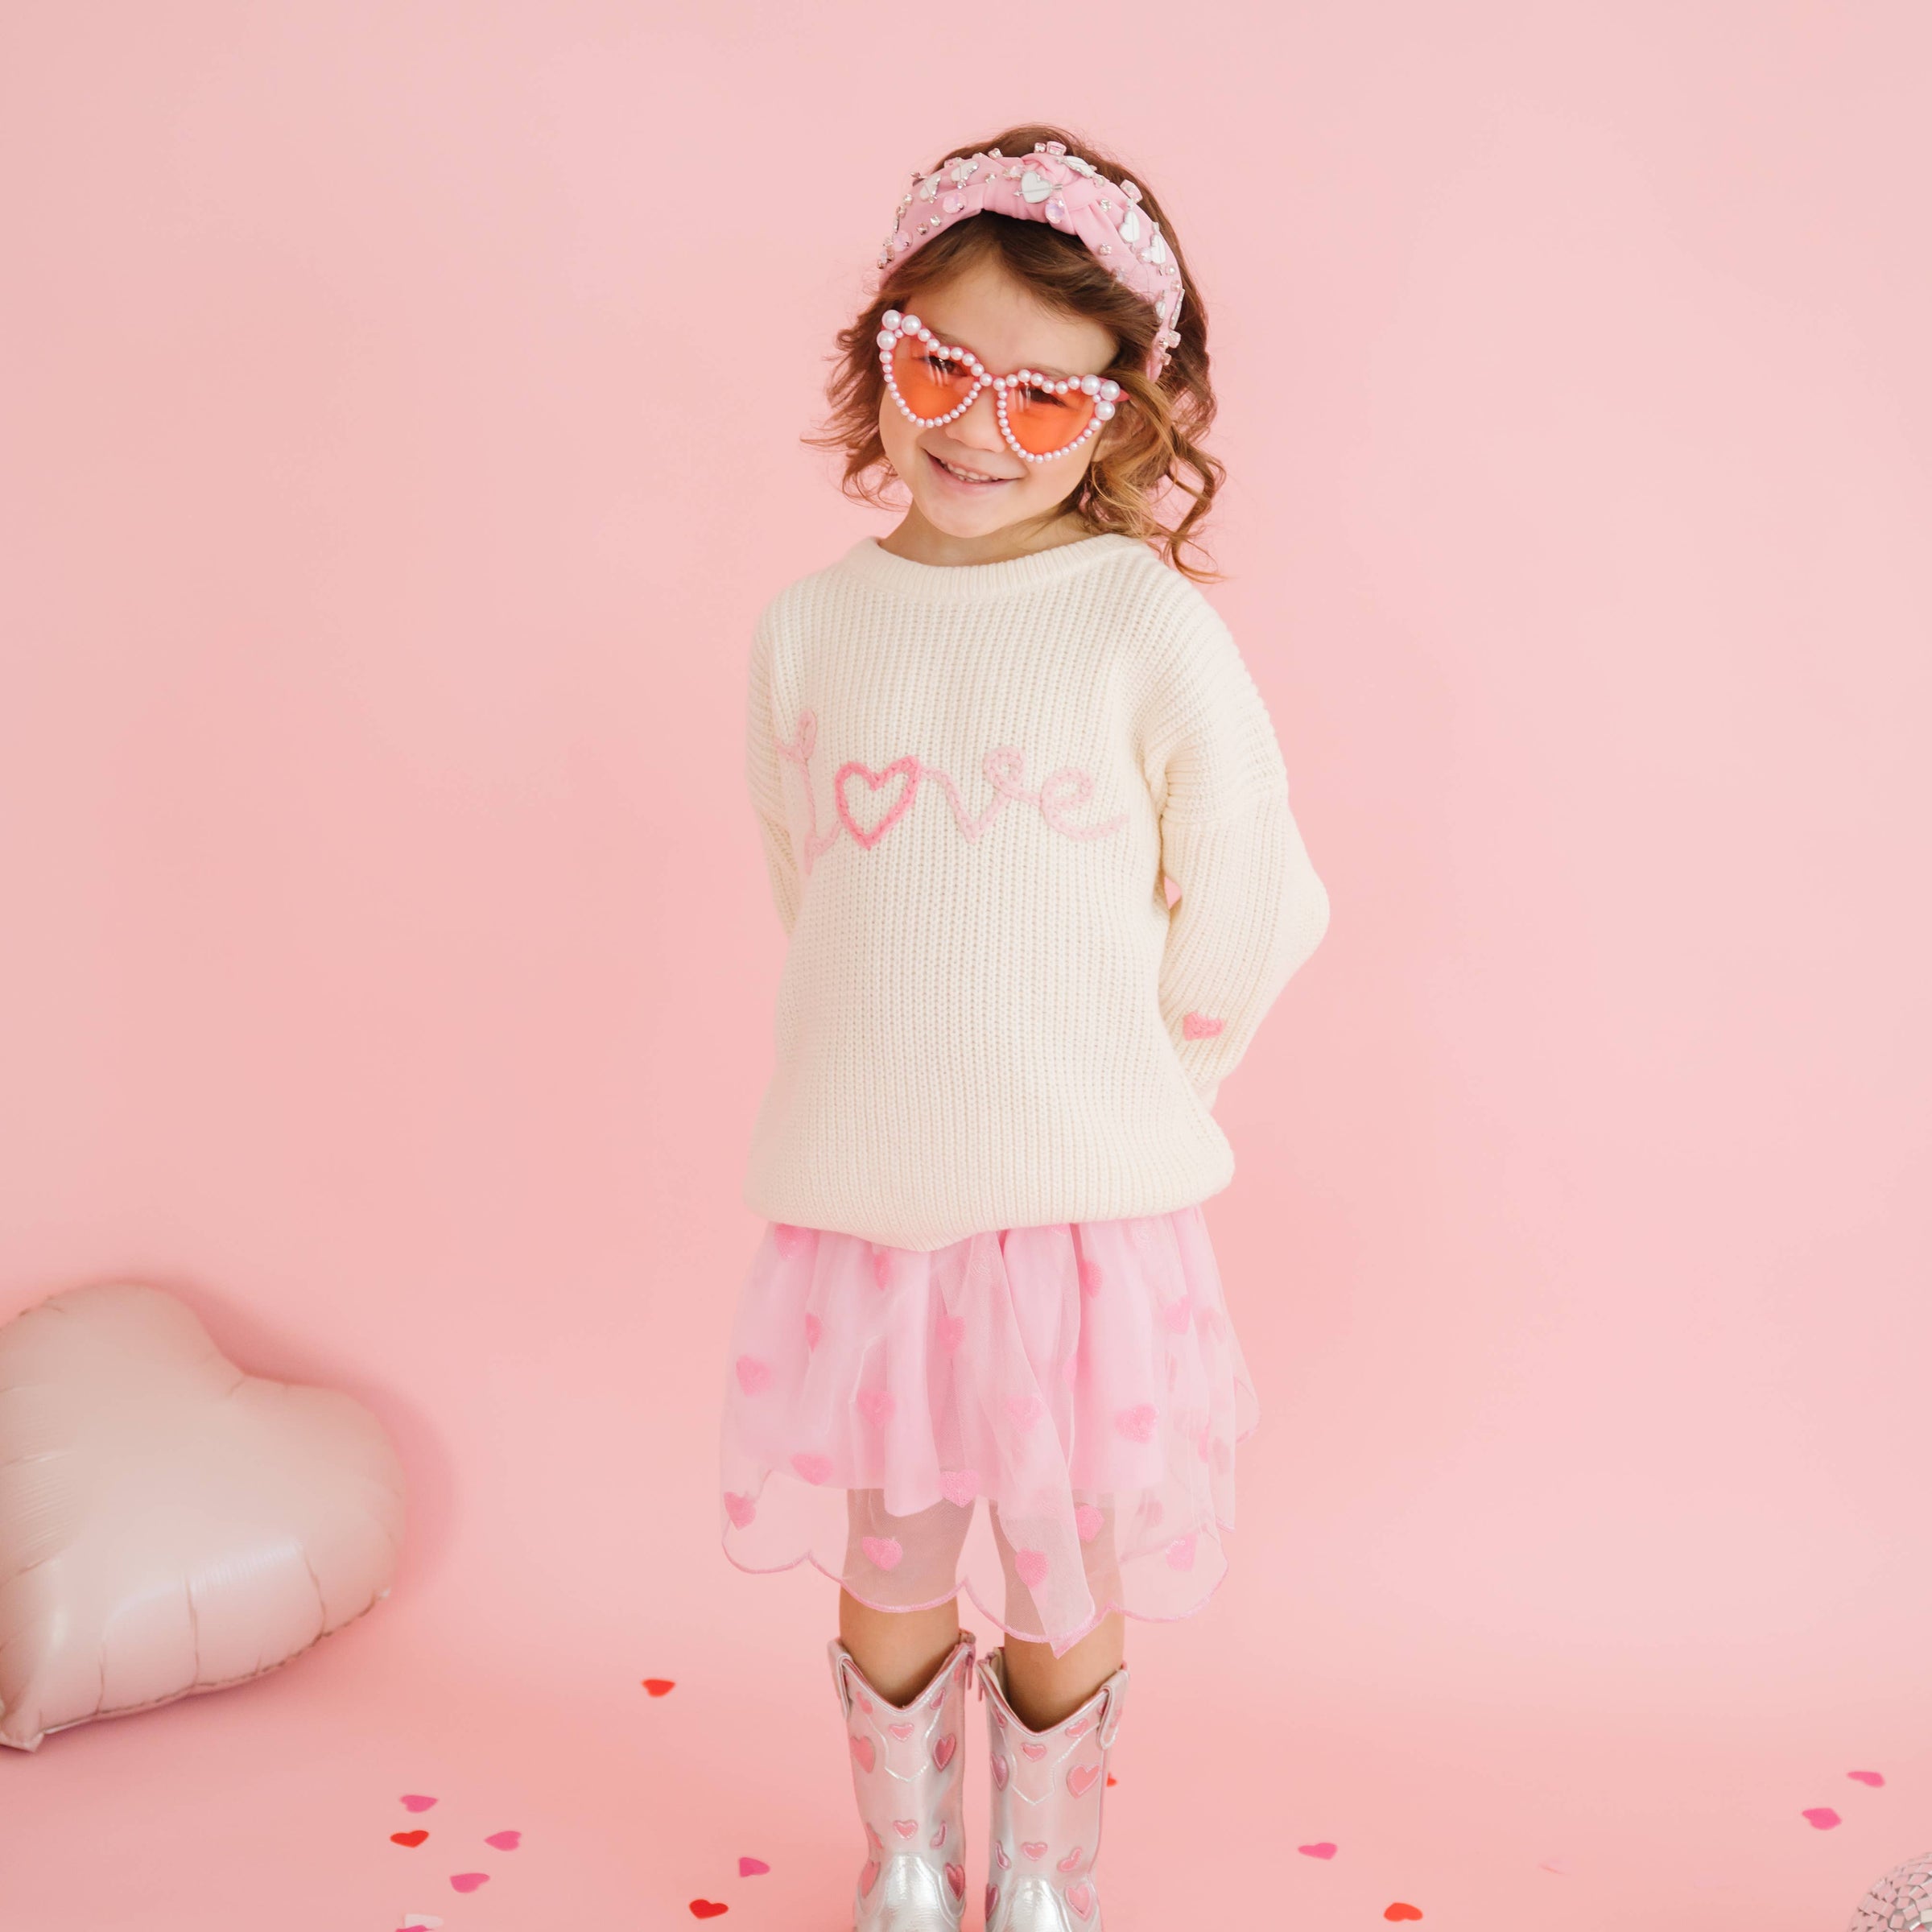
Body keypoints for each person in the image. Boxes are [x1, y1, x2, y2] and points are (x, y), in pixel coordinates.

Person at [716, 122, 1331, 1932]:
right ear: (880, 358)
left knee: (1065, 1557)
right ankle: (909, 1863)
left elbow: (1258, 899)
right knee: (891, 1545)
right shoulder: (810, 630)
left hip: (1081, 1219)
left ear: (1120, 420)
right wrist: (900, 1069)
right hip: (873, 1203)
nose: (980, 428)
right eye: (941, 370)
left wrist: (1143, 1090)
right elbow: (814, 889)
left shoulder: (1140, 624)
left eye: (1046, 397)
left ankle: (1047, 1879)